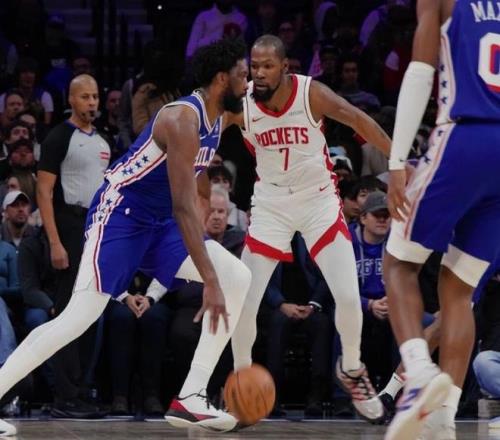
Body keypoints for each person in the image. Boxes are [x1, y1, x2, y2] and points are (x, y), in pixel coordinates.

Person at [0, 38, 251, 436]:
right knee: (77, 318)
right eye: (243, 74)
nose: (250, 82)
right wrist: (209, 281)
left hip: (158, 222)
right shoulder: (182, 119)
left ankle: (191, 397)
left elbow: (274, 103)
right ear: (222, 79)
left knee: (238, 276)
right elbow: (184, 207)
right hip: (121, 215)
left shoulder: (223, 115)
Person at [227, 34, 391, 422]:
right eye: (254, 66)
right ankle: (241, 381)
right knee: (244, 302)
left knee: (348, 297)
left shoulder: (310, 94)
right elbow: (201, 135)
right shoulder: (240, 103)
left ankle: (352, 368)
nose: (259, 73)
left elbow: (358, 119)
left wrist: (399, 163)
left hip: (318, 202)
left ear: (285, 67)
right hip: (271, 205)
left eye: (268, 66)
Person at [383, 1, 500, 439]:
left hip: (463, 135)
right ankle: (443, 417)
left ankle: (416, 376)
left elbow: (420, 70)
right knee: (459, 289)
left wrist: (397, 161)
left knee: (398, 263)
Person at [37, 74, 111, 419]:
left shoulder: (104, 140)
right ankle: (64, 397)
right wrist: (55, 242)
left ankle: (80, 391)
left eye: (95, 96)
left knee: (89, 312)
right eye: (85, 97)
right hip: (68, 226)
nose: (92, 102)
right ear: (71, 99)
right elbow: (43, 192)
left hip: (96, 227)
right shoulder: (58, 137)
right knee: (68, 311)